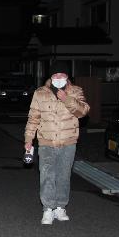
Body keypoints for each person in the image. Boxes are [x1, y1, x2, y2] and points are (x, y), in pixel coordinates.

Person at [24, 61, 90, 225]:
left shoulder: (76, 91)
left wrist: (67, 99)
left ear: (67, 76)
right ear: (50, 76)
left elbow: (83, 112)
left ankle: (60, 207)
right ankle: (48, 209)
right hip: (46, 141)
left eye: (62, 74)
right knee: (47, 175)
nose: (59, 77)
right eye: (55, 74)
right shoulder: (40, 93)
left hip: (68, 142)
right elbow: (33, 118)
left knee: (63, 176)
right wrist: (28, 138)